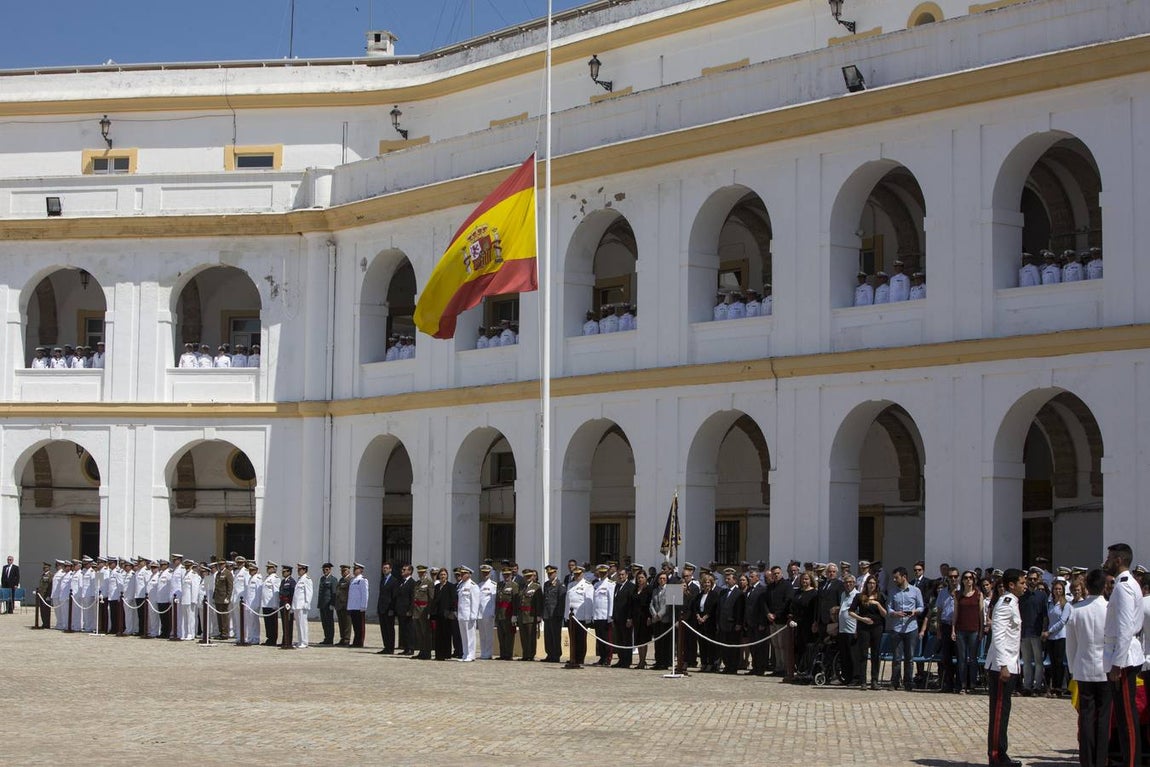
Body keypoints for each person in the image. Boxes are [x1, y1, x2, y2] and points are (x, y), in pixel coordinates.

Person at [1104, 542, 1143, 767]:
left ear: (1118, 560)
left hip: (1125, 658)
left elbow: (1126, 627)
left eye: (1110, 557)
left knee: (1127, 717)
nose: (1107, 561)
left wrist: (1117, 664)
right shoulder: (1123, 584)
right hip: (1122, 655)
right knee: (1123, 715)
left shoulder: (1124, 586)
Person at [1067, 568, 1110, 767]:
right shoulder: (1109, 609)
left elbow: (1071, 645)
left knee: (1085, 717)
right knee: (1102, 718)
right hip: (1105, 669)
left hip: (1083, 668)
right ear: (1104, 587)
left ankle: (1087, 761)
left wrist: (1073, 669)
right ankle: (1101, 760)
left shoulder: (1077, 609)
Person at [986, 568, 1025, 767]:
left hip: (1009, 664)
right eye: (1022, 582)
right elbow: (999, 635)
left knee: (1004, 711)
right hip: (1002, 667)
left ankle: (1001, 753)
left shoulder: (1013, 603)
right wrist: (1003, 665)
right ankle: (996, 755)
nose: (1024, 586)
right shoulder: (1006, 603)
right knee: (999, 711)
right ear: (1011, 585)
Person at [886, 566, 923, 692]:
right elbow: (889, 608)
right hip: (897, 627)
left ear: (904, 577)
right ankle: (895, 682)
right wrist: (894, 613)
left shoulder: (915, 591)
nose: (895, 580)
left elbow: (921, 607)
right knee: (896, 658)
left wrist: (914, 612)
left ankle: (908, 682)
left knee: (910, 657)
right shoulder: (892, 591)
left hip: (911, 627)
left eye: (897, 577)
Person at [849, 576, 886, 688]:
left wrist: (878, 604)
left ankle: (874, 680)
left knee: (875, 654)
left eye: (874, 583)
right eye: (870, 583)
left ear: (876, 585)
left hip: (877, 627)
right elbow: (851, 612)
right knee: (863, 654)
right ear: (866, 584)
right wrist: (862, 619)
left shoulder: (880, 596)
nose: (871, 585)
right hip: (863, 627)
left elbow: (885, 614)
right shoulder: (859, 596)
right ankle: (863, 680)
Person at [953, 570, 984, 694]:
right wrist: (953, 629)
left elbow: (982, 614)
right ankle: (962, 684)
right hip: (960, 629)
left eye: (970, 578)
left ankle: (972, 684)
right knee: (961, 658)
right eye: (965, 578)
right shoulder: (957, 594)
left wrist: (981, 630)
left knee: (972, 658)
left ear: (973, 580)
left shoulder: (978, 594)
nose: (968, 580)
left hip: (974, 630)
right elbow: (955, 613)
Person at [1044, 579, 1071, 696]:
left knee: (1059, 663)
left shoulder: (1066, 604)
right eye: (1056, 589)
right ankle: (1053, 686)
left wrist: (1049, 631)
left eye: (1060, 589)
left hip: (1060, 636)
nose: (1057, 591)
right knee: (1053, 663)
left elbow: (1062, 621)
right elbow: (1048, 619)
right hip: (1050, 637)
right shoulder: (1050, 603)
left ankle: (1059, 687)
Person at [564, 564, 592, 669]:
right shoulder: (570, 585)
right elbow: (568, 601)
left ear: (582, 574)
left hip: (581, 617)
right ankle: (573, 657)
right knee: (573, 638)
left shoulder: (587, 585)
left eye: (578, 574)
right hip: (571, 617)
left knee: (581, 638)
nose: (577, 576)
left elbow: (589, 602)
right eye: (575, 574)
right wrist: (566, 615)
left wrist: (588, 617)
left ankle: (580, 658)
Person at [541, 565, 566, 663]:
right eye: (548, 573)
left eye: (551, 573)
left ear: (555, 573)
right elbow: (545, 599)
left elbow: (561, 601)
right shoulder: (546, 584)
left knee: (555, 636)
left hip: (555, 615)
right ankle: (549, 654)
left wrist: (559, 614)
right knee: (548, 636)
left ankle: (556, 655)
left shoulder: (560, 584)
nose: (549, 575)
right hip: (547, 614)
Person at [455, 565, 481, 662]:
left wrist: (473, 616)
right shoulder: (461, 585)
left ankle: (471, 654)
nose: (462, 575)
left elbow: (475, 602)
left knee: (470, 636)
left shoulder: (473, 586)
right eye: (461, 573)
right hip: (461, 615)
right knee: (464, 636)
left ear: (469, 574)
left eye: (464, 573)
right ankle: (465, 654)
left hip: (469, 615)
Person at [517, 568, 543, 661]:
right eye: (526, 576)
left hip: (531, 615)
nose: (527, 578)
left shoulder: (536, 587)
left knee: (531, 636)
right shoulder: (522, 587)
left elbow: (539, 602)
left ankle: (531, 654)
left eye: (529, 576)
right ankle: (525, 654)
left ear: (533, 576)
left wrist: (539, 615)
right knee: (523, 636)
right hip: (522, 615)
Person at [494, 567, 520, 660]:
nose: (506, 576)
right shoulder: (499, 584)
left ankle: (508, 654)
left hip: (508, 613)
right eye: (504, 575)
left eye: (508, 575)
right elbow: (497, 600)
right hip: (500, 613)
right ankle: (502, 654)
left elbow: (516, 601)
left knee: (509, 635)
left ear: (511, 575)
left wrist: (514, 614)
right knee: (501, 635)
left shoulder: (514, 585)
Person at [591, 564, 614, 666]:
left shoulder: (610, 584)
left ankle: (608, 658)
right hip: (597, 615)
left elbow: (611, 600)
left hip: (605, 616)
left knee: (606, 638)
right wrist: (593, 615)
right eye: (600, 572)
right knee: (599, 638)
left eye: (604, 572)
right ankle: (602, 657)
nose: (602, 574)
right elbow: (594, 601)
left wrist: (610, 615)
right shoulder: (596, 585)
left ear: (607, 573)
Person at [375, 561, 399, 654]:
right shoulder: (382, 580)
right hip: (382, 608)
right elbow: (381, 595)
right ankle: (386, 647)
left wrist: (392, 609)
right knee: (384, 629)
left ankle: (391, 648)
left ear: (390, 569)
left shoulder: (394, 581)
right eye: (383, 568)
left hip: (389, 609)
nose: (384, 569)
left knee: (390, 629)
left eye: (386, 568)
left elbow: (394, 597)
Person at [411, 565, 434, 659]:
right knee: (419, 633)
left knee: (425, 632)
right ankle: (421, 651)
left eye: (422, 572)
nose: (420, 574)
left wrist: (429, 611)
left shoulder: (429, 582)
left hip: (424, 610)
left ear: (425, 573)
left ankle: (427, 652)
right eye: (419, 572)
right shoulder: (417, 583)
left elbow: (431, 598)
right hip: (416, 610)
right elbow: (414, 597)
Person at [346, 562, 369, 648]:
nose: (354, 570)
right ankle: (356, 641)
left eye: (356, 569)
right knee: (355, 625)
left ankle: (360, 642)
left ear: (361, 570)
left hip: (359, 607)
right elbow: (351, 595)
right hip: (353, 606)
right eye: (354, 569)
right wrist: (349, 606)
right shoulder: (353, 580)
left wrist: (364, 606)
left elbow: (365, 594)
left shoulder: (363, 580)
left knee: (360, 626)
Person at [395, 564, 414, 654]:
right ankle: (406, 647)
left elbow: (412, 598)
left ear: (409, 571)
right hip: (401, 610)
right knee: (403, 630)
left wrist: (410, 610)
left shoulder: (412, 583)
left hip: (407, 611)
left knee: (409, 630)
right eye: (402, 569)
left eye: (404, 569)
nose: (402, 571)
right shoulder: (402, 582)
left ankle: (410, 648)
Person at [316, 562, 337, 645]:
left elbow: (334, 592)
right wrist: (319, 604)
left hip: (328, 604)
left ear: (330, 570)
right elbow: (320, 592)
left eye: (327, 569)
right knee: (324, 622)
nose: (325, 571)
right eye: (324, 569)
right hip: (322, 604)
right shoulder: (322, 579)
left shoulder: (333, 579)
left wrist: (332, 604)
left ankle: (330, 639)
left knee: (329, 622)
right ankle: (326, 638)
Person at [278, 564, 296, 649]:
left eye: (284, 571)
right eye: (282, 571)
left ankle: (288, 641)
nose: (283, 573)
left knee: (288, 623)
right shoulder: (283, 581)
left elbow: (292, 594)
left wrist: (291, 605)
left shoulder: (292, 582)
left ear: (289, 572)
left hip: (288, 605)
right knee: (284, 624)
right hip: (283, 605)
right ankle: (284, 640)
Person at [334, 564, 352, 646]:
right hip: (339, 605)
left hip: (346, 604)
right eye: (341, 571)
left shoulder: (350, 579)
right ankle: (342, 638)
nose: (343, 572)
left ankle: (346, 639)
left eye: (344, 570)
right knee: (341, 623)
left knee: (347, 623)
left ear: (348, 571)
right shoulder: (341, 579)